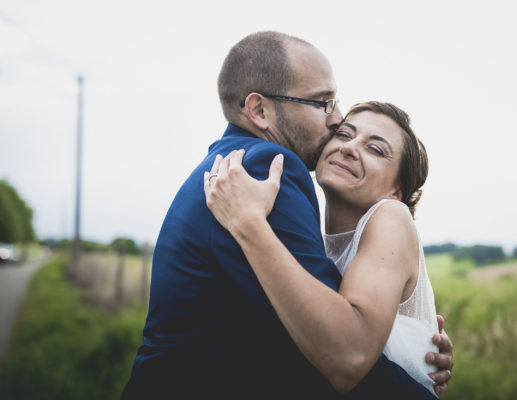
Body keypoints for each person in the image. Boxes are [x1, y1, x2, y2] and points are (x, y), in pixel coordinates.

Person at [122, 31, 452, 399]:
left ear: (398, 193)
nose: (336, 122)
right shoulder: (265, 168)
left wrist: (412, 354)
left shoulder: (237, 166)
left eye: (374, 147)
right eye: (323, 104)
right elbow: (340, 353)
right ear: (260, 111)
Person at [204, 101, 441, 396]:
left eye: (375, 149)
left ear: (397, 192)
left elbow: (349, 358)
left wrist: (247, 222)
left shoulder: (392, 215)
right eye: (343, 134)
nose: (350, 147)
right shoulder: (316, 243)